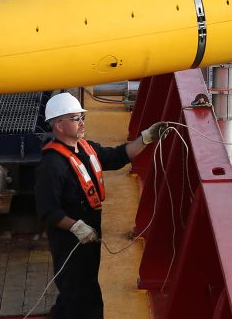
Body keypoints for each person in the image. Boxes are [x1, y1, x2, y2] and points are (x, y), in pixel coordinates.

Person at [35, 92, 168, 318]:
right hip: (71, 241)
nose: (82, 122)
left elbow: (117, 156)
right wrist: (77, 227)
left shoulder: (86, 148)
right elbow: (48, 211)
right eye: (75, 118)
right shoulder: (51, 166)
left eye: (81, 117)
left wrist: (146, 138)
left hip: (91, 236)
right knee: (75, 293)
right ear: (58, 125)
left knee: (88, 288)